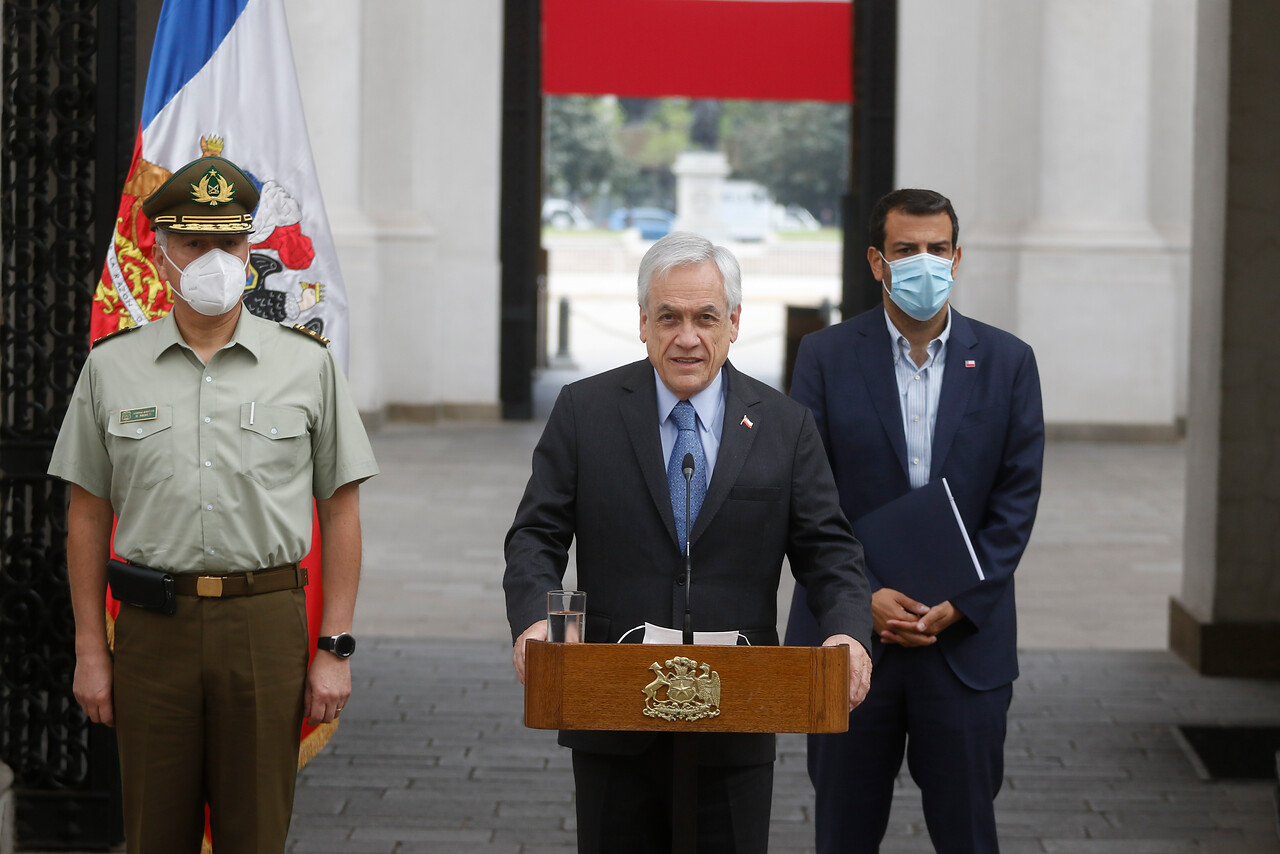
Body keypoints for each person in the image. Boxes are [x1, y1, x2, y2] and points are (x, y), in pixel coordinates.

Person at [504, 231, 874, 854]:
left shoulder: (786, 425)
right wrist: (536, 623)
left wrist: (847, 633)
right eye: (669, 317)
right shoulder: (584, 410)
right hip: (613, 718)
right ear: (642, 323)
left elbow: (831, 552)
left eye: (705, 318)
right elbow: (535, 536)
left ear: (733, 323)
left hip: (738, 719)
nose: (687, 337)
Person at [48, 155, 379, 853]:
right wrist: (89, 649)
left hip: (265, 626)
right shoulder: (111, 367)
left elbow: (340, 510)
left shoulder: (307, 365)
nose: (212, 260)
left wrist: (335, 647)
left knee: (255, 833)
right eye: (193, 244)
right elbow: (86, 514)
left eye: (227, 244)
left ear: (250, 249)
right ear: (161, 252)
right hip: (150, 630)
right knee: (154, 832)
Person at [785, 189, 1045, 853]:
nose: (923, 263)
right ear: (878, 261)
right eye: (906, 250)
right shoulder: (825, 357)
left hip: (963, 645)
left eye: (937, 249)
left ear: (957, 257)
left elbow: (1016, 500)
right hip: (850, 640)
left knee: (968, 834)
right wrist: (858, 597)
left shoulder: (1009, 362)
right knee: (842, 833)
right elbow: (808, 496)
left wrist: (963, 599)